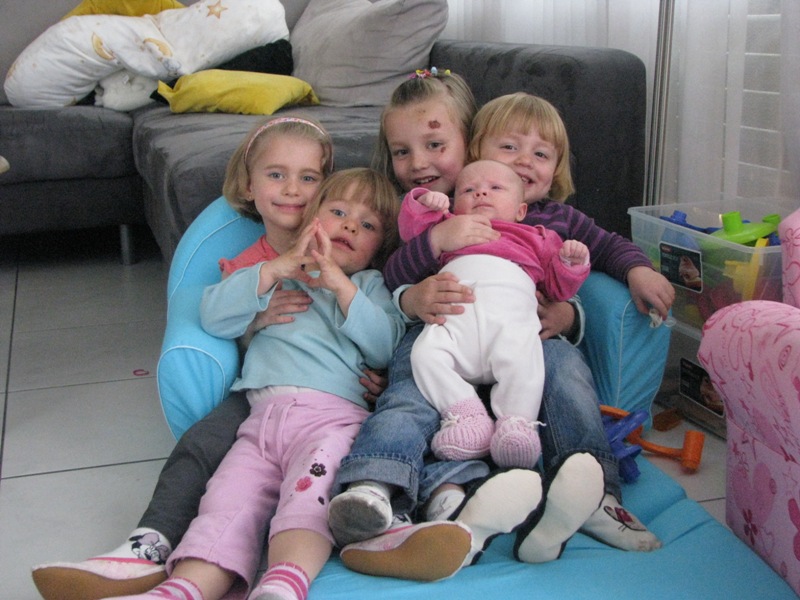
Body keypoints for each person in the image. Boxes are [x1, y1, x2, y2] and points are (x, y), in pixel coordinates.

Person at [329, 78, 673, 580]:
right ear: (476, 148)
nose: (521, 162)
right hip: (442, 334)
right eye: (508, 148)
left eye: (540, 154)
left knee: (566, 374)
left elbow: (601, 249)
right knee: (410, 389)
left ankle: (595, 491)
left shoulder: (555, 218)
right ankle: (390, 488)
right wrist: (418, 283)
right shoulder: (433, 210)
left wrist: (612, 286)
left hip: (525, 340)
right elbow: (388, 275)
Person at [29, 116, 366, 600]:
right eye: (276, 175)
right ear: (248, 186)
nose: (292, 189)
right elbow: (215, 320)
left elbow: (379, 314)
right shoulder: (245, 264)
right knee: (199, 446)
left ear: (325, 187)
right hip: (260, 393)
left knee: (310, 470)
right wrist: (261, 301)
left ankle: (293, 559)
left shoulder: (352, 249)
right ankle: (148, 545)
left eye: (308, 177)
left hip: (331, 399)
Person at [101, 166, 409, 600]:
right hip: (260, 420)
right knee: (224, 504)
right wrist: (274, 270)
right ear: (310, 220)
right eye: (339, 212)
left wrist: (340, 286)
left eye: (368, 225)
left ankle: (285, 581)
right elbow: (213, 316)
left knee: (308, 499)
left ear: (380, 246)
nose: (350, 226)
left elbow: (385, 347)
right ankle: (184, 589)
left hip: (332, 421)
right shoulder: (273, 275)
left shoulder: (368, 285)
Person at [399, 159, 590, 469]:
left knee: (526, 361)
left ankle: (516, 425)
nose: (481, 194)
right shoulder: (451, 227)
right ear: (454, 204)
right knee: (424, 355)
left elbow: (558, 288)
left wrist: (571, 264)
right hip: (455, 322)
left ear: (520, 211)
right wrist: (424, 203)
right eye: (468, 190)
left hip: (509, 322)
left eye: (495, 188)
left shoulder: (536, 237)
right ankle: (466, 415)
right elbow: (412, 230)